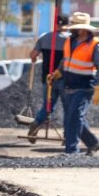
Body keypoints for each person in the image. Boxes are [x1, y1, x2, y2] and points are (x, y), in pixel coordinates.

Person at [51, 12, 99, 155]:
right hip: (68, 85)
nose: (72, 29)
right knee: (73, 116)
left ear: (84, 28)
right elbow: (66, 59)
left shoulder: (95, 45)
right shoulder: (69, 41)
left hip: (85, 87)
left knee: (73, 117)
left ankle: (72, 151)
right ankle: (93, 143)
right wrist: (58, 72)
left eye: (76, 27)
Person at [27, 14, 69, 143]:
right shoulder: (68, 40)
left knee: (48, 106)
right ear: (66, 26)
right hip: (64, 78)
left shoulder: (44, 37)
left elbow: (33, 55)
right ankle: (68, 136)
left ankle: (36, 123)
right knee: (68, 107)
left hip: (48, 78)